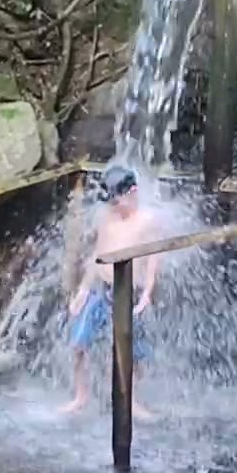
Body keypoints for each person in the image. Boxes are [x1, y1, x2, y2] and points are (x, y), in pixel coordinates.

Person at [60, 165, 160, 418]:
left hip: (130, 295)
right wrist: (83, 289)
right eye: (110, 201)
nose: (113, 205)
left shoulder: (148, 221)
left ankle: (131, 400)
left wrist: (148, 293)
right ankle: (81, 395)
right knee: (78, 344)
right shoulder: (107, 217)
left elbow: (153, 260)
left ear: (133, 192)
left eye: (117, 200)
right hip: (102, 291)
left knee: (134, 354)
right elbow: (98, 254)